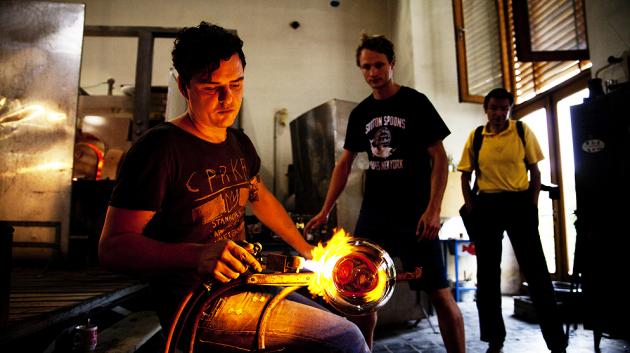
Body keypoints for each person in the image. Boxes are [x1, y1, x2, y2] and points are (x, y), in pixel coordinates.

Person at [98, 22, 369, 353]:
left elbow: (261, 198)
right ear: (185, 87)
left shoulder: (238, 143)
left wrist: (306, 249)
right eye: (212, 88)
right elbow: (112, 247)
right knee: (347, 340)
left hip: (244, 285)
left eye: (236, 84)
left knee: (349, 315)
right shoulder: (159, 149)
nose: (228, 100)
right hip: (197, 305)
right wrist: (197, 255)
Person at [304, 33, 465, 353]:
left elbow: (439, 156)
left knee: (440, 293)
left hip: (416, 214)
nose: (372, 73)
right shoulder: (361, 112)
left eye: (378, 65)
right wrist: (324, 210)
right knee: (362, 295)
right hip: (375, 216)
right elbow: (344, 163)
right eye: (366, 67)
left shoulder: (415, 102)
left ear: (392, 64)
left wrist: (433, 209)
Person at [457, 88, 567, 353]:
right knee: (488, 276)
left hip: (519, 204)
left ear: (510, 109)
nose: (498, 113)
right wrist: (471, 207)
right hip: (487, 206)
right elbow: (464, 175)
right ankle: (495, 340)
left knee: (538, 273)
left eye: (504, 108)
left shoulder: (522, 131)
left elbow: (535, 171)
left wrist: (532, 205)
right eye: (494, 107)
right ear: (486, 109)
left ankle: (556, 341)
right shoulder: (476, 137)